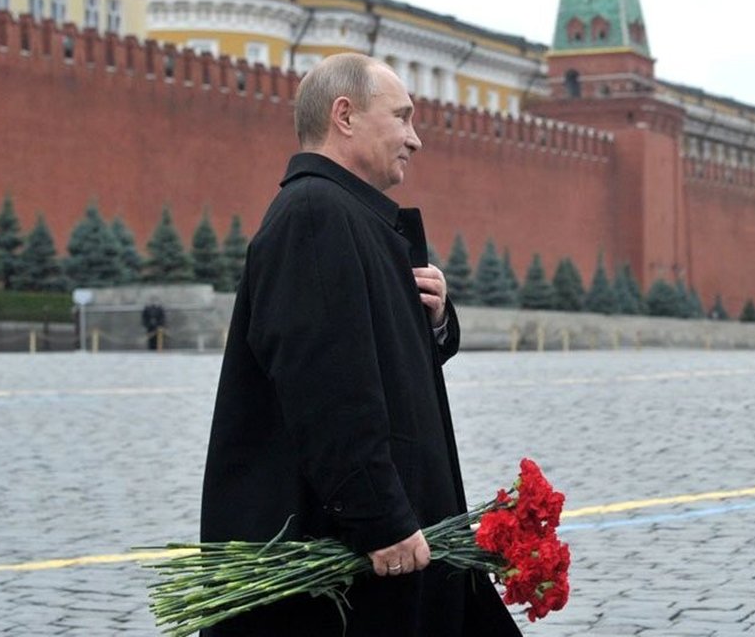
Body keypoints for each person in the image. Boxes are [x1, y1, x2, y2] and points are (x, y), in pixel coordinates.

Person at [200, 54, 521, 636]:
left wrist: (436, 320)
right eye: (402, 117)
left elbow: (386, 366)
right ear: (344, 116)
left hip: (395, 543)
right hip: (350, 564)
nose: (415, 139)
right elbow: (327, 389)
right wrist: (378, 519)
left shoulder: (353, 218)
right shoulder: (314, 216)